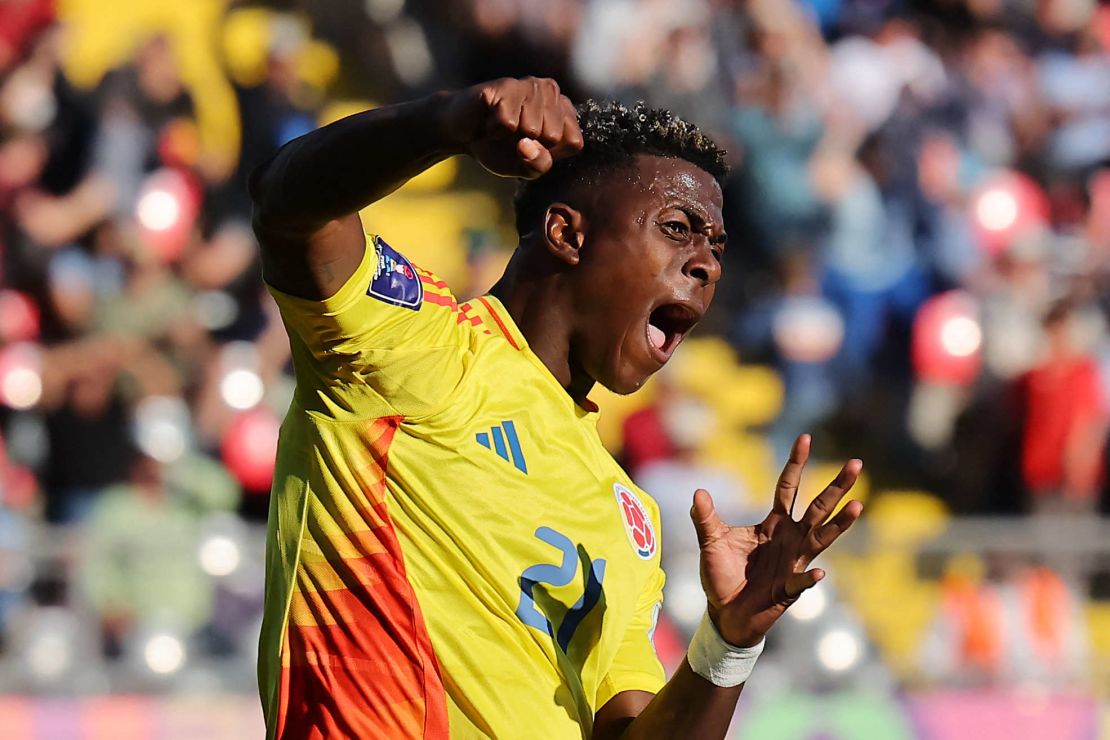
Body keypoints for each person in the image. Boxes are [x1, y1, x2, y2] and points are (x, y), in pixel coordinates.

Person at [250, 76, 863, 738]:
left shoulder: (628, 516)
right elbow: (288, 208)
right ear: (567, 233)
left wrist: (729, 641)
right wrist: (446, 121)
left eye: (716, 248)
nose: (707, 265)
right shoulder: (418, 351)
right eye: (679, 229)